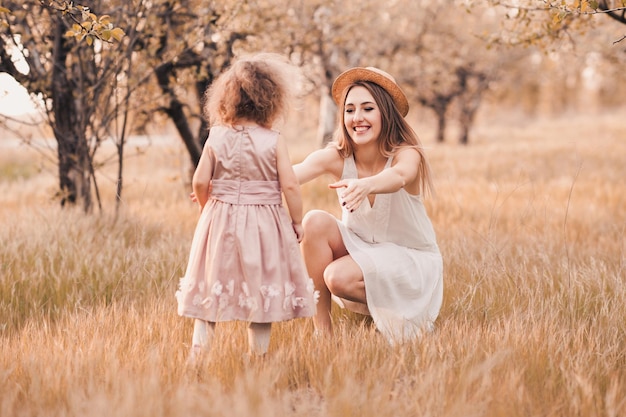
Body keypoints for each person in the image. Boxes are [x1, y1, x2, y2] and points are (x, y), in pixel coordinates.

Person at [176, 53, 317, 361]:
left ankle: (198, 355)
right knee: (261, 283)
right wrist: (297, 221)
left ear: (226, 98)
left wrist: (206, 206)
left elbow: (200, 181)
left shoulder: (216, 135)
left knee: (212, 283)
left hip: (220, 217)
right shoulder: (274, 140)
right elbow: (290, 185)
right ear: (271, 100)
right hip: (264, 220)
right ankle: (258, 357)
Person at [293, 67, 443, 344]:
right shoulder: (336, 157)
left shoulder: (406, 154)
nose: (357, 118)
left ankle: (406, 314)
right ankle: (322, 331)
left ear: (385, 113)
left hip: (410, 259)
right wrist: (227, 185)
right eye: (349, 110)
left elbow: (400, 177)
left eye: (367, 108)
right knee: (314, 221)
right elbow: (290, 175)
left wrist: (367, 185)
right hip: (364, 251)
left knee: (337, 277)